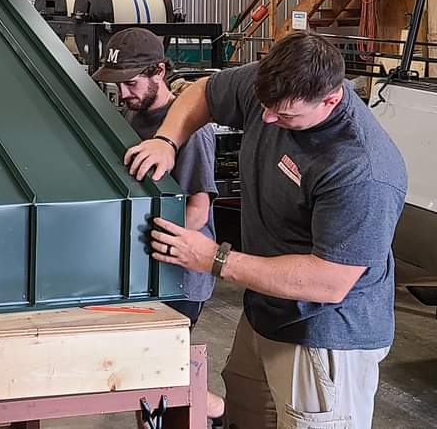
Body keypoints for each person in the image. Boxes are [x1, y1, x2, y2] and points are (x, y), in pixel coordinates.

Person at [124, 31, 407, 429]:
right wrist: (167, 141)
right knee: (246, 412)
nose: (268, 119)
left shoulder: (362, 170)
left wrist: (213, 258)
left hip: (323, 334)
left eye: (284, 115)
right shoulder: (280, 83)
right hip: (266, 311)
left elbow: (329, 281)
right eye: (264, 106)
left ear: (331, 99)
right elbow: (205, 92)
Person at [91, 28, 225, 425]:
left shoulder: (190, 129)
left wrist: (143, 241)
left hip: (179, 275)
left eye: (131, 83)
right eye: (119, 85)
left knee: (163, 372)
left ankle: (214, 412)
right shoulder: (134, 115)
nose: (125, 94)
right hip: (145, 268)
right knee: (147, 371)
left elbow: (198, 211)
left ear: (159, 72)